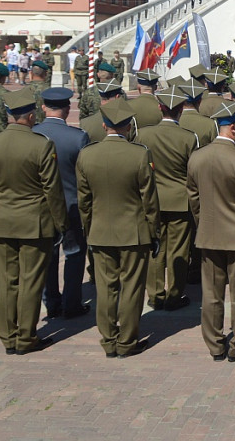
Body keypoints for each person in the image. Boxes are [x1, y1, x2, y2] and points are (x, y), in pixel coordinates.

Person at [0, 88, 66, 354]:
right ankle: (26, 338)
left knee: (7, 281)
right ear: (30, 116)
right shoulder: (41, 144)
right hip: (34, 224)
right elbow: (52, 190)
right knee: (30, 281)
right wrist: (60, 223)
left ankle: (8, 336)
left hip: (2, 220)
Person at [76, 100, 161, 358]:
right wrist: (154, 231)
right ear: (128, 127)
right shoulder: (139, 154)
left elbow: (84, 200)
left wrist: (89, 228)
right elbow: (150, 199)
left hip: (100, 230)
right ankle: (127, 340)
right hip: (133, 232)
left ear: (104, 126)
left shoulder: (87, 154)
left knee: (106, 288)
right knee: (132, 287)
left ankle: (109, 338)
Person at [187, 101, 235, 361]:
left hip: (208, 233)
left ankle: (215, 344)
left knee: (211, 294)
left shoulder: (197, 156)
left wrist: (204, 221)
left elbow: (194, 198)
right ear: (232, 128)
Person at [135, 87, 199, 311]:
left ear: (160, 108)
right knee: (178, 250)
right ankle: (174, 294)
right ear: (181, 109)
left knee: (156, 248)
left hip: (153, 198)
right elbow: (193, 171)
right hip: (180, 199)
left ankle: (155, 294)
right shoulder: (188, 138)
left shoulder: (143, 134)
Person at [33, 88, 92, 319]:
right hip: (72, 205)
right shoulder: (78, 137)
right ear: (67, 110)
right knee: (75, 254)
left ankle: (52, 302)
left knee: (48, 254)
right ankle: (72, 303)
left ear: (43, 108)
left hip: (43, 206)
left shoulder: (34, 134)